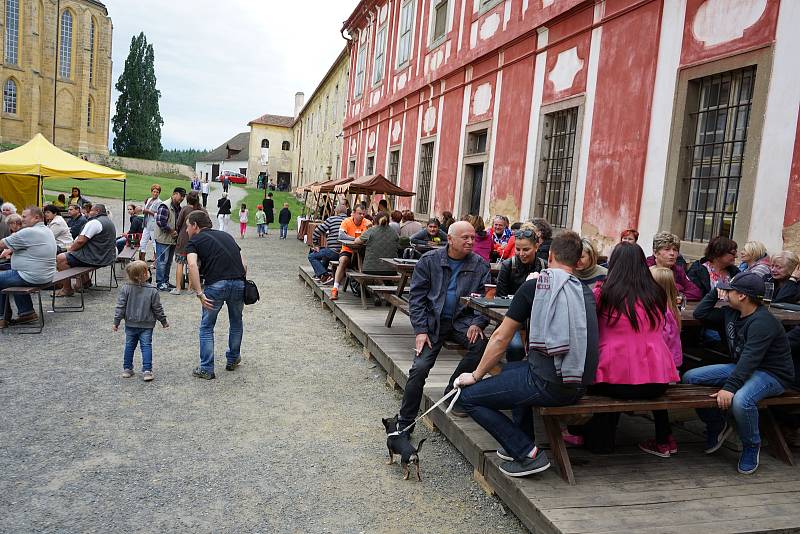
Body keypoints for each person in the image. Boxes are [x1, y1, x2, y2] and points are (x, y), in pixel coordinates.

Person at [453, 231, 598, 477]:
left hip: (549, 384)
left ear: (549, 255)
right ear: (578, 261)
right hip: (579, 382)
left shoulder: (536, 286)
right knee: (512, 369)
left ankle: (527, 454)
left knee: (468, 397)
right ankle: (520, 442)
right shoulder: (585, 291)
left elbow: (500, 337)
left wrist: (475, 375)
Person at [683, 272, 794, 474]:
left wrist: (729, 388)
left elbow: (750, 358)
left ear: (742, 295)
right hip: (744, 367)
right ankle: (717, 424)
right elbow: (700, 314)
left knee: (741, 400)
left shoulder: (763, 322)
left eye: (729, 290)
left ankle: (751, 445)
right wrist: (714, 294)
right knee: (690, 377)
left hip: (772, 375)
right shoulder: (731, 313)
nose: (726, 292)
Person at [392, 221, 492, 433]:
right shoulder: (429, 261)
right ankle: (405, 422)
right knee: (419, 369)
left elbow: (485, 298)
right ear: (451, 239)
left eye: (473, 237)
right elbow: (417, 299)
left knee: (482, 344)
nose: (470, 241)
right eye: (465, 237)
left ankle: (452, 388)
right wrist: (420, 330)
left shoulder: (480, 265)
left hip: (462, 321)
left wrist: (477, 322)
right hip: (432, 322)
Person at [583, 243, 679, 455]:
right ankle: (664, 438)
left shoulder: (604, 293)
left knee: (596, 384)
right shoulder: (656, 293)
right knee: (621, 380)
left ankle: (596, 438)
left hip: (613, 379)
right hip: (657, 381)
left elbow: (591, 329)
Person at [185, 210, 247, 380]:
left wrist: (199, 292)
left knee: (207, 327)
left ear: (195, 226)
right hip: (238, 282)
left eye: (187, 226)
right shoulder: (226, 236)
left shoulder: (194, 241)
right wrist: (240, 280)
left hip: (216, 285)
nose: (186, 231)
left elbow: (191, 265)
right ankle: (233, 359)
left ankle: (206, 367)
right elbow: (243, 262)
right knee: (236, 322)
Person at [639, 265, 684, 457]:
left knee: (656, 401)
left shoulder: (659, 312)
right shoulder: (671, 309)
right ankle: (666, 438)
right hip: (672, 369)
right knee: (659, 405)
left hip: (663, 370)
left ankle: (662, 442)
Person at [496, 224, 547, 361]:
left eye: (526, 249)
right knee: (516, 347)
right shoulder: (508, 266)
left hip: (536, 317)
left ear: (536, 247)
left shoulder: (544, 266)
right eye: (518, 249)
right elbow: (500, 297)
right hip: (511, 315)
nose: (521, 253)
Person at [0, 206, 57, 328]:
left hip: (32, 276)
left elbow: (1, 244)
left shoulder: (29, 232)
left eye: (25, 216)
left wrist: (8, 249)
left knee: (5, 277)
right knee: (12, 275)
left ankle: (2, 318)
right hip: (45, 275)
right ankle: (27, 313)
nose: (22, 219)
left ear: (36, 217)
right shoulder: (46, 230)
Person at [113, 260, 169, 382]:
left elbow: (120, 306)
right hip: (147, 325)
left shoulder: (126, 289)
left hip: (130, 323)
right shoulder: (152, 290)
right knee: (146, 346)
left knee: (129, 346)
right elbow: (157, 308)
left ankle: (127, 369)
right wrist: (163, 321)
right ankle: (147, 370)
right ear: (144, 275)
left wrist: (116, 322)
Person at [55, 203, 117, 297]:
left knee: (61, 258)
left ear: (97, 211)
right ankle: (85, 282)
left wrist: (70, 251)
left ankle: (67, 289)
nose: (89, 212)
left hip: (96, 258)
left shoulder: (95, 222)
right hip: (106, 256)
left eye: (91, 210)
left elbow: (80, 241)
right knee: (79, 254)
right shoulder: (108, 221)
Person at [646, 231, 702, 301]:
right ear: (655, 253)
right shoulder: (646, 269)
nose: (672, 253)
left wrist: (679, 296)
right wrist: (678, 288)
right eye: (667, 249)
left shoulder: (678, 270)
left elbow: (696, 293)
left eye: (675, 250)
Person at [330, 206, 371, 300]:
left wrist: (369, 229)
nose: (362, 216)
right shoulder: (347, 221)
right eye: (360, 213)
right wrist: (357, 239)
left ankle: (370, 291)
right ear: (354, 213)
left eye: (363, 214)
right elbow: (341, 235)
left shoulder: (367, 223)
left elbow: (371, 237)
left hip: (361, 252)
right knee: (343, 261)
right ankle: (335, 289)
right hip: (347, 249)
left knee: (370, 263)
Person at [171, 191, 204, 295]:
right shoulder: (201, 210)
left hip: (183, 239)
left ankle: (178, 288)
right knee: (192, 263)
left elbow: (178, 224)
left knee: (180, 264)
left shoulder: (185, 209)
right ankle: (190, 288)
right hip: (196, 240)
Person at [154, 187, 186, 291]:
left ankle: (165, 282)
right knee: (162, 262)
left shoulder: (178, 207)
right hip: (163, 239)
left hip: (172, 240)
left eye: (184, 197)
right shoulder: (165, 205)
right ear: (175, 194)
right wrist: (171, 231)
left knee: (168, 263)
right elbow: (160, 222)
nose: (182, 199)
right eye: (181, 196)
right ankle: (160, 283)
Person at [309, 204, 348, 284]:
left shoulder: (332, 219)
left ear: (336, 212)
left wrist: (316, 245)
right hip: (347, 254)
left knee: (312, 256)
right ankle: (320, 274)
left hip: (335, 252)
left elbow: (317, 232)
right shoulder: (350, 220)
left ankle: (325, 275)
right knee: (325, 253)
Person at [353, 211, 400, 277]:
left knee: (360, 251)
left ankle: (360, 272)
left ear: (376, 220)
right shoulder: (394, 232)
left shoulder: (371, 230)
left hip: (370, 269)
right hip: (391, 270)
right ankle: (381, 283)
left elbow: (356, 241)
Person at [140, 184, 163, 261]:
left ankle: (156, 262)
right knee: (142, 242)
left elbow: (159, 215)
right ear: (151, 192)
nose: (155, 193)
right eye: (154, 192)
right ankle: (141, 260)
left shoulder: (159, 202)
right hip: (146, 224)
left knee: (154, 244)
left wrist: (149, 212)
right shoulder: (149, 199)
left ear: (159, 193)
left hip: (153, 226)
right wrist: (143, 210)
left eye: (157, 192)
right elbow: (145, 209)